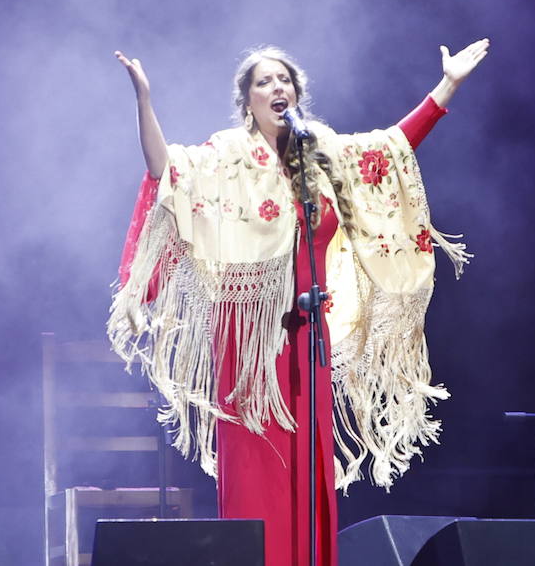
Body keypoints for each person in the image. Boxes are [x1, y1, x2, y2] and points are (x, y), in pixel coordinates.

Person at [108, 40, 489, 566]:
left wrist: (447, 87)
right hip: (249, 338)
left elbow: (391, 150)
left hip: (309, 333)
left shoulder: (322, 154)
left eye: (283, 80)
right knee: (259, 477)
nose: (276, 88)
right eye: (264, 82)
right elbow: (164, 170)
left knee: (309, 475)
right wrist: (144, 100)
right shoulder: (226, 157)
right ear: (247, 100)